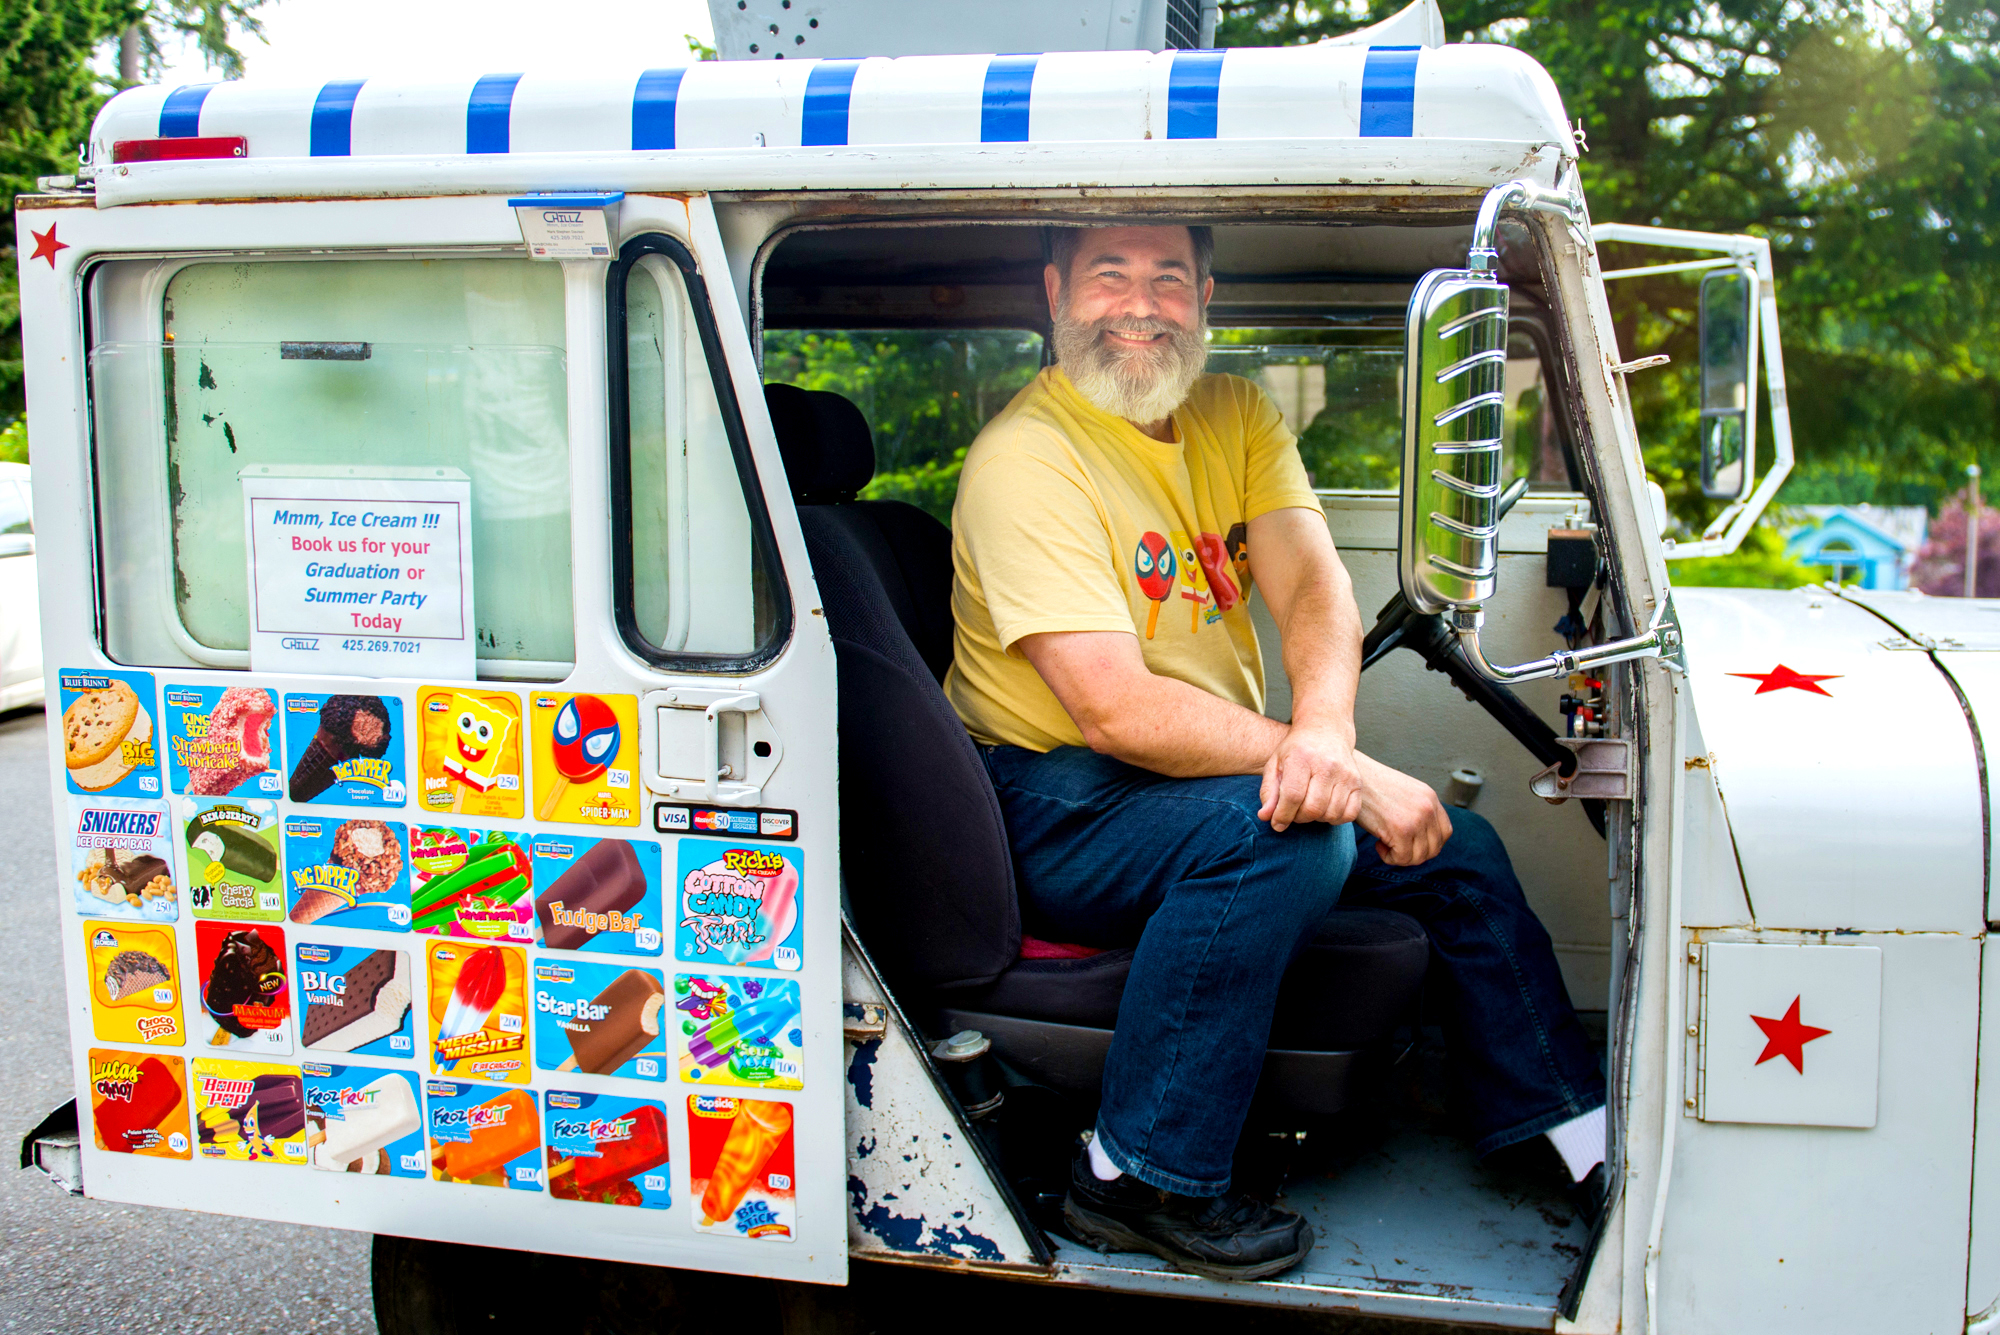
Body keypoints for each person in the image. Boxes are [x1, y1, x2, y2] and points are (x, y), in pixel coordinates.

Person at [942, 223, 1607, 1282]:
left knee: (1454, 847)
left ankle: (1572, 1136)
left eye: (1167, 278)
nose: (1139, 303)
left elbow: (1310, 588)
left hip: (1184, 776)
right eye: (1107, 275)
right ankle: (1132, 1178)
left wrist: (1327, 738)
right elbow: (1112, 711)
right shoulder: (1026, 459)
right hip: (1052, 797)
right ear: (1052, 290)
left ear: (1205, 295)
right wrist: (1332, 780)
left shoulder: (1232, 412)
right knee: (1286, 845)